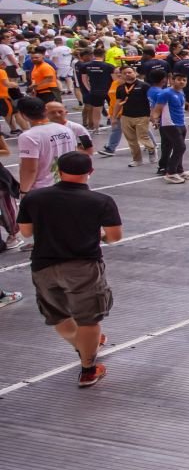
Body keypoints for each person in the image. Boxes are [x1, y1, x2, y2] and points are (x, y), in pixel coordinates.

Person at [17, 151, 121, 389]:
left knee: (58, 315)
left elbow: (25, 232)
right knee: (89, 320)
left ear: (58, 170)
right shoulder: (101, 201)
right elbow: (114, 237)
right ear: (90, 172)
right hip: (83, 266)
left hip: (43, 265)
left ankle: (81, 345)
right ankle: (88, 369)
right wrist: (99, 236)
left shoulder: (34, 198)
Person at [15, 95, 77, 193]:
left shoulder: (29, 136)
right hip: (67, 185)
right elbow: (74, 154)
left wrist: (24, 191)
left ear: (23, 115)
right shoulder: (66, 129)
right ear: (45, 110)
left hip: (43, 190)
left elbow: (30, 169)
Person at [148, 70, 189, 183]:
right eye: (179, 79)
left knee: (180, 148)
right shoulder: (166, 93)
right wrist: (155, 120)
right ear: (172, 80)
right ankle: (170, 173)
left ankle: (179, 170)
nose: (182, 82)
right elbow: (157, 109)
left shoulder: (181, 92)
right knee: (180, 147)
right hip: (169, 124)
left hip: (180, 123)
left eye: (184, 80)